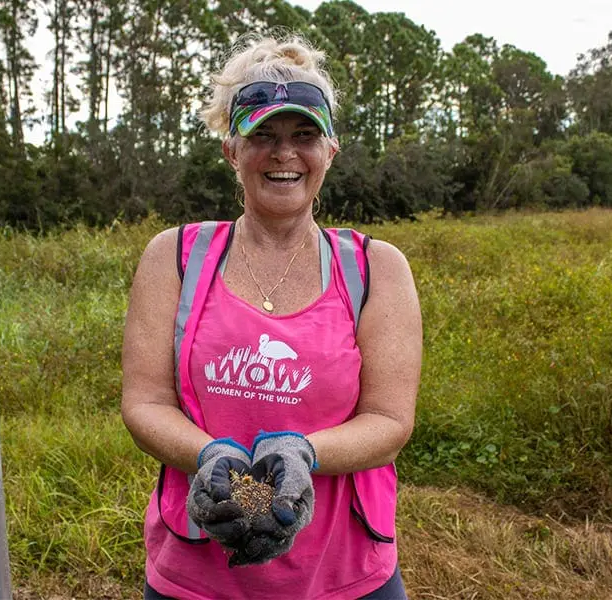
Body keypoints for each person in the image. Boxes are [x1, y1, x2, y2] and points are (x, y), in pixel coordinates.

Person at [121, 34, 423, 600]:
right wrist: (209, 454)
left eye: (304, 135)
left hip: (343, 574)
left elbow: (389, 421)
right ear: (231, 151)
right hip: (196, 575)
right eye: (263, 135)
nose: (284, 153)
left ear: (330, 150)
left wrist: (302, 453)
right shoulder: (177, 257)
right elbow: (144, 402)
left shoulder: (376, 269)